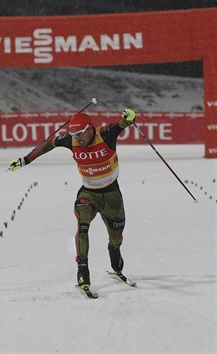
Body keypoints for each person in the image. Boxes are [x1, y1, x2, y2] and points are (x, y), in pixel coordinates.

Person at [8, 108, 136, 292]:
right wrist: (26, 160)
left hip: (112, 194)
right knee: (82, 226)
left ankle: (114, 249)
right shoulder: (71, 140)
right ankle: (83, 272)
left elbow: (124, 122)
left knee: (116, 236)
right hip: (88, 193)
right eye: (74, 134)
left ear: (90, 128)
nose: (78, 138)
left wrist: (129, 117)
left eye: (80, 133)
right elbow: (49, 144)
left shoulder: (106, 134)